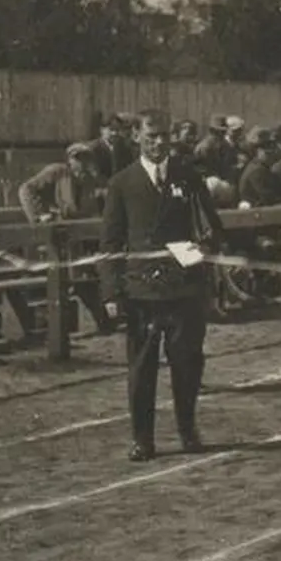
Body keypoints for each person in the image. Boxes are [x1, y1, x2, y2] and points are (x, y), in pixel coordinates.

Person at [98, 109, 228, 462]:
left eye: (163, 137)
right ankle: (143, 439)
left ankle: (188, 430)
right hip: (142, 292)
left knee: (187, 363)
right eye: (151, 136)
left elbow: (212, 228)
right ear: (137, 137)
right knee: (142, 370)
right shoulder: (121, 183)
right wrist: (111, 292)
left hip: (184, 288)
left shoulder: (187, 176)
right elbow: (110, 243)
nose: (158, 143)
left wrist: (204, 247)